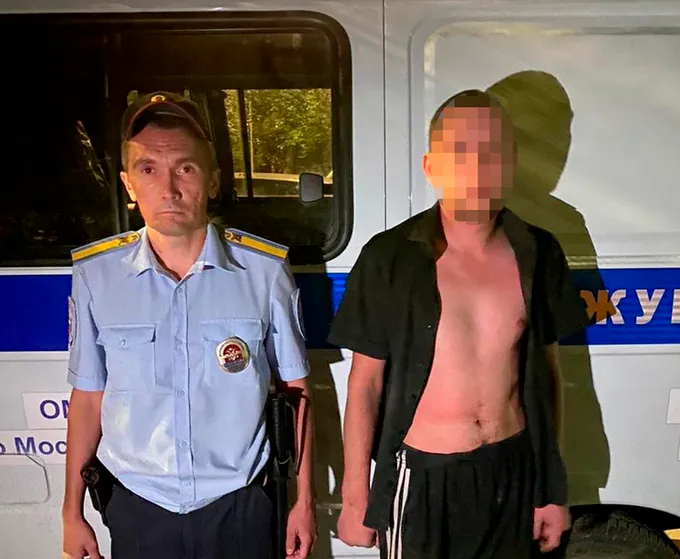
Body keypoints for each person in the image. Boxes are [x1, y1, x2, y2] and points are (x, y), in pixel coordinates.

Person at [329, 89, 591, 558]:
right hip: (422, 479)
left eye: (492, 151)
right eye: (461, 152)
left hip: (512, 470)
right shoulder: (388, 257)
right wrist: (355, 498)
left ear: (510, 163)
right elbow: (365, 383)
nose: (478, 167)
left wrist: (551, 489)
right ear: (432, 167)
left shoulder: (540, 252)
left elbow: (548, 375)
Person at [61, 91, 316, 559]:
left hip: (240, 503)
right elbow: (88, 398)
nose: (169, 188)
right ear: (128, 185)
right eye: (148, 169)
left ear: (213, 180)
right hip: (140, 505)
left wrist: (304, 502)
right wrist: (71, 513)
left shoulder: (264, 271)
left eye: (186, 168)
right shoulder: (96, 276)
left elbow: (295, 392)